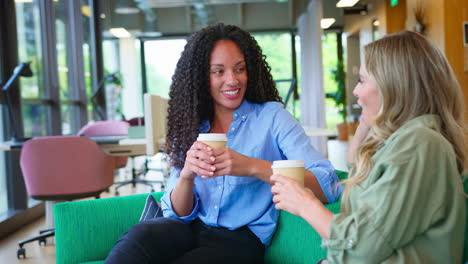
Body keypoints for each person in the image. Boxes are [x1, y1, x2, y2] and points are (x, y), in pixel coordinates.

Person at [104, 23, 342, 264]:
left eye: (240, 69)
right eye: (218, 71)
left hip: (241, 240)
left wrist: (250, 166)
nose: (232, 80)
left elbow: (328, 183)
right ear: (200, 78)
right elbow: (178, 214)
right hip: (188, 228)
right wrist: (186, 175)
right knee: (135, 242)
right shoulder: (190, 125)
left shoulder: (272, 118)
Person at [271, 30, 467, 263]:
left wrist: (305, 203)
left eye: (362, 81)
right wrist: (370, 118)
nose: (355, 91)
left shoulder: (420, 145)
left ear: (393, 86)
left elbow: (361, 248)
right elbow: (357, 166)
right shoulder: (404, 140)